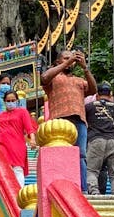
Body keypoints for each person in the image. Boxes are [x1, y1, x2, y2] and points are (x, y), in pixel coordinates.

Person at [40, 49, 97, 188]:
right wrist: (68, 62)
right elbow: (44, 78)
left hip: (79, 121)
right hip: (60, 121)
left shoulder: (79, 80)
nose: (69, 61)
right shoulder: (54, 78)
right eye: (65, 58)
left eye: (71, 59)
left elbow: (93, 90)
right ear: (57, 61)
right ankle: (59, 187)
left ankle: (82, 189)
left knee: (81, 155)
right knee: (60, 153)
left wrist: (85, 68)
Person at [86, 82, 114, 196]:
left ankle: (94, 193)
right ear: (111, 94)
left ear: (97, 95)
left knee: (92, 170)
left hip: (96, 141)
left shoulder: (89, 107)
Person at [0, 90, 37, 187]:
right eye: (8, 101)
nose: (10, 103)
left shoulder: (22, 112)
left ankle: (19, 194)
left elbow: (29, 128)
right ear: (4, 102)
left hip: (17, 146)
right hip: (2, 145)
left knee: (17, 169)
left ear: (17, 101)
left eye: (13, 100)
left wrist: (32, 139)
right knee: (5, 169)